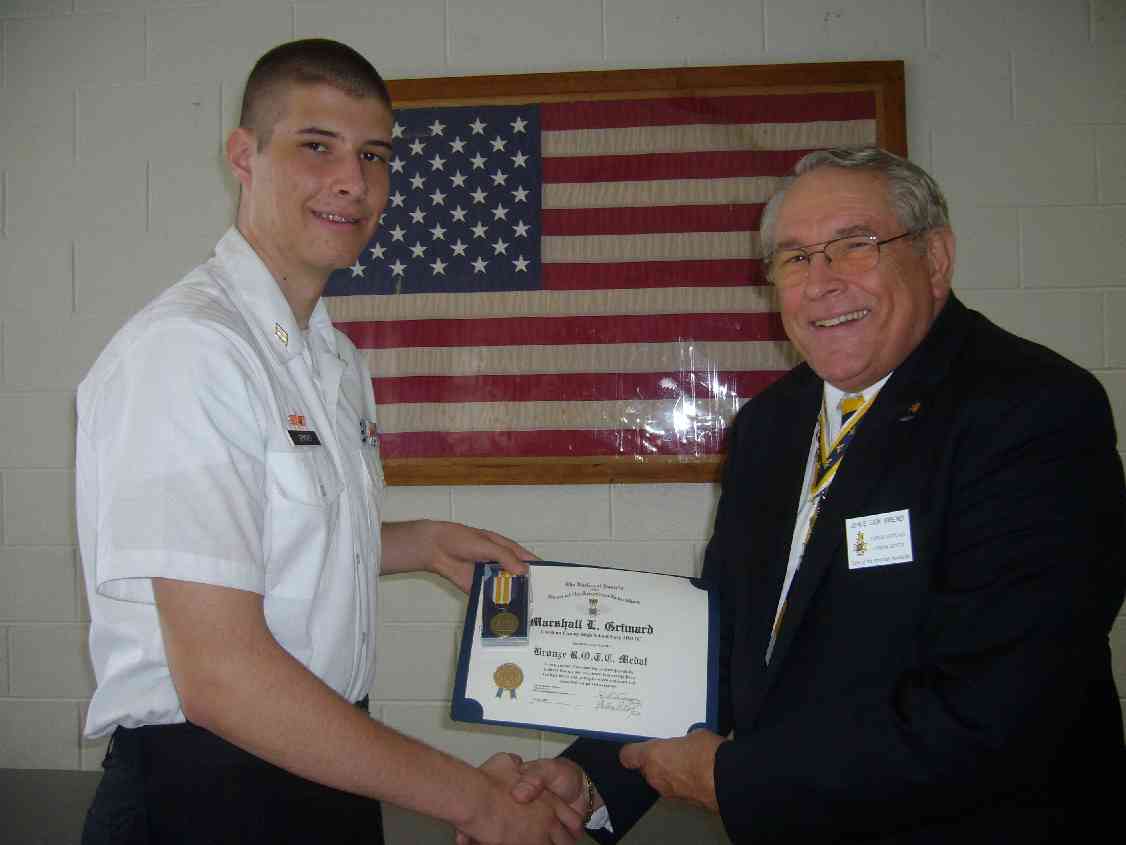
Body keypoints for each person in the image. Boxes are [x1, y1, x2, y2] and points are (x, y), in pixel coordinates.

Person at [492, 147, 1126, 843]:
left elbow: (1007, 704)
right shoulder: (771, 424)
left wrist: (734, 777)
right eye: (794, 258)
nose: (820, 283)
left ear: (936, 258)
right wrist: (592, 779)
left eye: (853, 246)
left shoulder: (1030, 410)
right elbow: (724, 644)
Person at [76, 38, 581, 845]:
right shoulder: (191, 351)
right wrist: (472, 799)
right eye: (318, 147)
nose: (354, 181)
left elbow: (257, 541)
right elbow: (220, 675)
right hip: (207, 787)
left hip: (323, 764)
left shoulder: (331, 357)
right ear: (245, 156)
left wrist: (414, 542)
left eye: (374, 154)